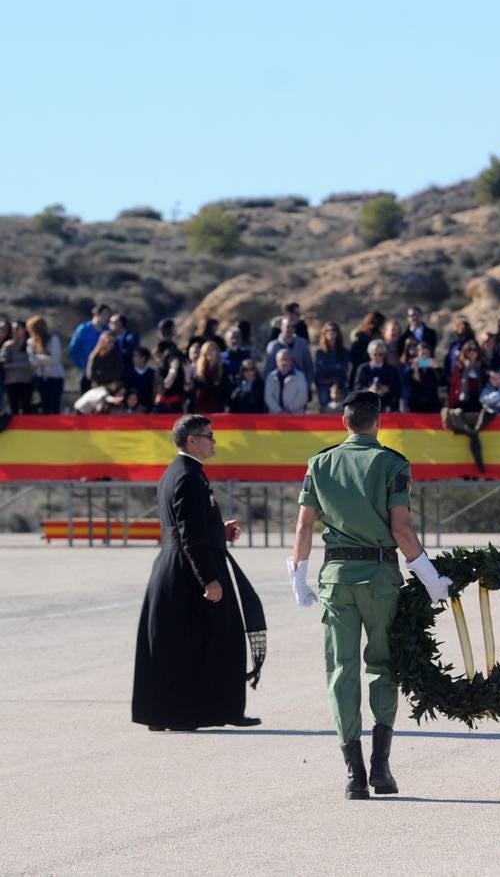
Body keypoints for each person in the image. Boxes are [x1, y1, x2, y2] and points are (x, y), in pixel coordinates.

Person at [290, 391, 451, 800]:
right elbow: (401, 529)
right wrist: (430, 575)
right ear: (377, 422)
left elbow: (304, 527)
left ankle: (354, 774)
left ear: (344, 422)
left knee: (342, 672)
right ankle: (381, 765)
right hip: (380, 577)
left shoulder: (320, 463)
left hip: (337, 578)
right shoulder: (392, 464)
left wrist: (298, 576)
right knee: (382, 666)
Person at [132, 415, 263, 731]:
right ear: (192, 440)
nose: (214, 441)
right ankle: (194, 712)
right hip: (189, 572)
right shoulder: (188, 477)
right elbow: (188, 535)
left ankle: (185, 711)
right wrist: (209, 580)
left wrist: (219, 531)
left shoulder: (180, 473)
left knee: (184, 643)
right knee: (206, 641)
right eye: (209, 435)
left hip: (179, 565)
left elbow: (188, 527)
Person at [26, 316, 66, 414]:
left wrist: (38, 358)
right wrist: (45, 357)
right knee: (45, 406)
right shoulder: (30, 342)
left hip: (55, 378)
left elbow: (55, 359)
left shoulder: (53, 339)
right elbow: (32, 361)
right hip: (41, 379)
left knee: (54, 406)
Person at [354, 340, 401, 413]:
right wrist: (369, 390)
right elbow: (356, 388)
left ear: (384, 354)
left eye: (380, 354)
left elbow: (398, 389)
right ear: (370, 354)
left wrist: (388, 389)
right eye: (375, 354)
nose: (377, 357)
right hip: (367, 406)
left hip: (386, 406)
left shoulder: (392, 370)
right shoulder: (363, 369)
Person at [401, 340, 442, 413]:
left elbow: (441, 382)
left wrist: (437, 368)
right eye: (422, 354)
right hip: (415, 405)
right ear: (418, 354)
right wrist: (414, 369)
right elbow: (406, 383)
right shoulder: (411, 366)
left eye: (427, 354)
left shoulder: (434, 366)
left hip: (431, 405)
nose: (425, 356)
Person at [313, 322, 348, 407]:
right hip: (324, 385)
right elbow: (320, 371)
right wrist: (336, 367)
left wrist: (328, 367)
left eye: (333, 330)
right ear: (324, 334)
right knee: (325, 406)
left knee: (344, 407)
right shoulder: (320, 352)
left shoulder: (344, 351)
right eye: (327, 330)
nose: (330, 332)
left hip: (340, 385)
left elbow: (344, 370)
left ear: (337, 333)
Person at [265, 349, 309, 414]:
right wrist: (279, 411)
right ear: (277, 362)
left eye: (287, 359)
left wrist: (289, 409)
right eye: (281, 360)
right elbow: (268, 397)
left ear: (291, 361)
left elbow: (302, 396)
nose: (284, 362)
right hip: (275, 416)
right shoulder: (271, 377)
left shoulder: (300, 376)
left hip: (295, 416)